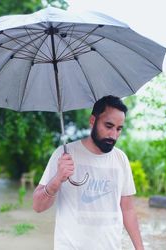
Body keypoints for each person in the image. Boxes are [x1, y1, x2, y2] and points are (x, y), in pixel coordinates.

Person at [33, 95, 144, 250]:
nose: (113, 135)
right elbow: (38, 206)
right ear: (93, 121)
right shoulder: (64, 155)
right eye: (108, 126)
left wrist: (140, 248)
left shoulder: (121, 159)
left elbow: (128, 209)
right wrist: (58, 179)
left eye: (119, 129)